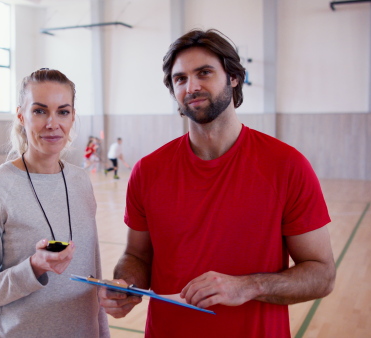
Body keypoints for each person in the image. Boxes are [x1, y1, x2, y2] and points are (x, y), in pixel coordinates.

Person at [98, 29, 336, 337]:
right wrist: (125, 286)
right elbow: (137, 256)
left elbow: (322, 274)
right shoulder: (148, 171)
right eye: (180, 79)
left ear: (234, 77)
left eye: (204, 73)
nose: (192, 86)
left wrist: (248, 286)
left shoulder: (287, 166)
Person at [0, 68, 109, 338]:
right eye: (40, 111)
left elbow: (92, 277)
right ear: (21, 116)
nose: (52, 123)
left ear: (73, 116)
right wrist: (33, 268)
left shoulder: (80, 182)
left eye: (63, 112)